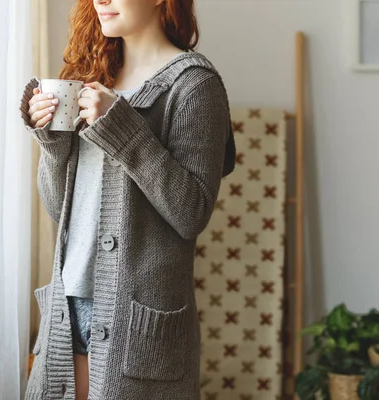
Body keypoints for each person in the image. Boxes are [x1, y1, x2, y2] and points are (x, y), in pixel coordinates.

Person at [18, 0, 235, 398]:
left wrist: (123, 130)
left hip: (137, 323)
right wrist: (51, 146)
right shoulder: (91, 78)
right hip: (68, 307)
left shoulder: (193, 86)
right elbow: (58, 209)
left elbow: (192, 212)